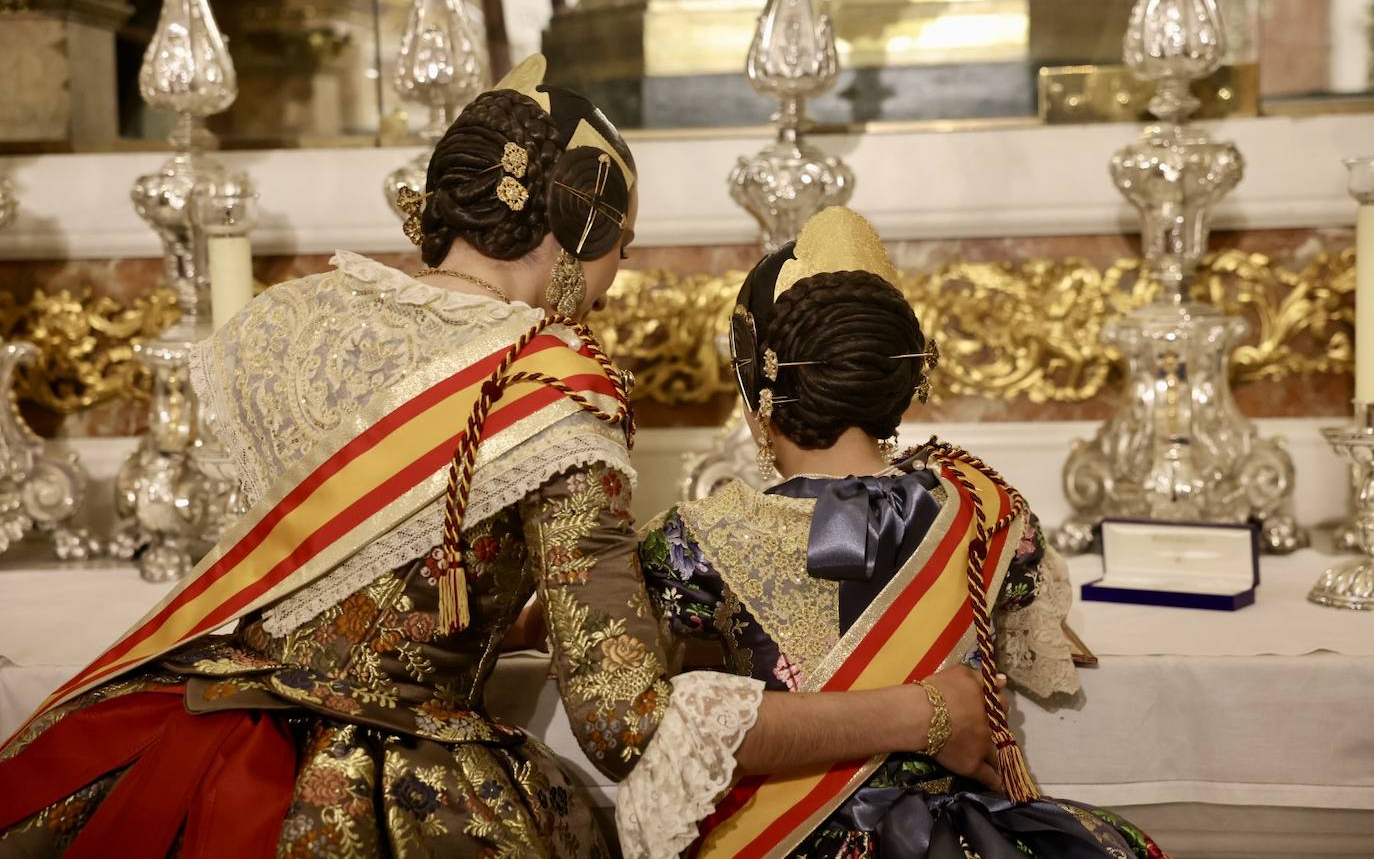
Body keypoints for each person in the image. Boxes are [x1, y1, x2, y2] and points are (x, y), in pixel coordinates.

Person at [0, 59, 1001, 858]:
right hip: (398, 802)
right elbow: (628, 723)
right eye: (621, 244)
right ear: (576, 226)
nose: (617, 279)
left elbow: (328, 571)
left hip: (200, 752)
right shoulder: (552, 386)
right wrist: (920, 712)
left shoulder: (279, 322)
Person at [632, 207, 1168, 858]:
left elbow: (633, 686)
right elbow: (1043, 641)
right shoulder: (987, 508)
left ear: (760, 396)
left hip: (788, 834)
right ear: (898, 380)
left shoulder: (695, 539)